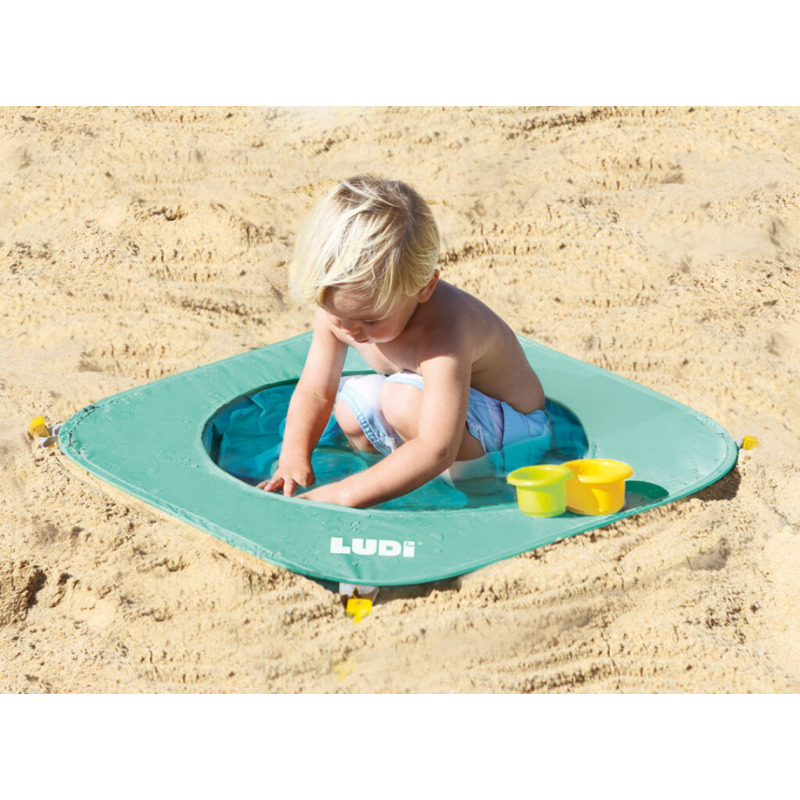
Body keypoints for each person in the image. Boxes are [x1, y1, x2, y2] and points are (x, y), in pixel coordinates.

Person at [258, 175, 552, 507]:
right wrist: (292, 459)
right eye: (335, 313)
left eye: (370, 320)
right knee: (352, 407)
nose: (349, 329)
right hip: (455, 422)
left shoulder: (446, 330)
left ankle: (481, 492)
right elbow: (315, 391)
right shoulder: (341, 309)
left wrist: (344, 493)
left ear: (424, 288)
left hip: (517, 439)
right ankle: (400, 479)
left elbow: (437, 447)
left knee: (401, 399)